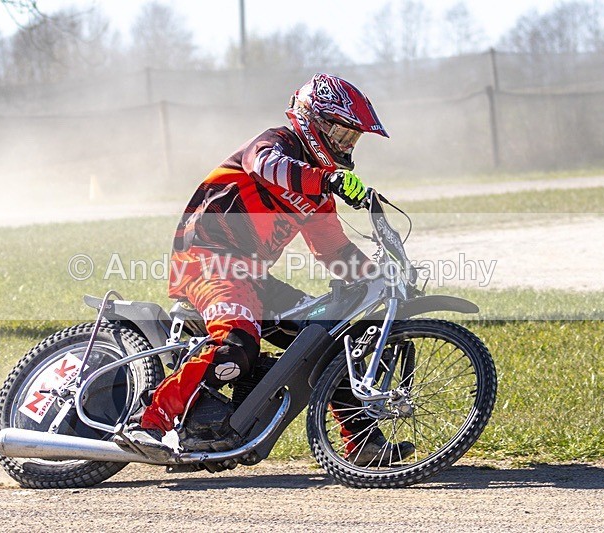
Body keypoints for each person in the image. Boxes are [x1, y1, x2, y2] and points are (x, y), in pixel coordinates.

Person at [125, 73, 415, 464]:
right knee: (237, 341)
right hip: (207, 259)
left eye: (353, 139)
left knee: (326, 338)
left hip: (250, 277)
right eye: (342, 134)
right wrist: (327, 179)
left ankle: (362, 444)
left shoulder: (317, 193)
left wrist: (380, 276)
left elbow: (332, 251)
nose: (347, 146)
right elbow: (264, 166)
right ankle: (149, 421)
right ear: (314, 121)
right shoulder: (275, 144)